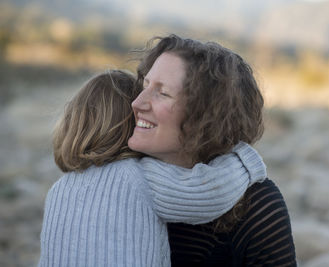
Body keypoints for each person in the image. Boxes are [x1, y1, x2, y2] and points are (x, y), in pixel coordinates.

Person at [38, 69, 267, 266]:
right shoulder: (138, 176)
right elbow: (210, 192)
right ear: (132, 122)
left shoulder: (58, 190)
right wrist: (244, 159)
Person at [130, 35, 297, 266]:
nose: (137, 103)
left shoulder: (254, 205)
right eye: (145, 85)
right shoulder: (111, 180)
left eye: (163, 93)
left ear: (207, 117)